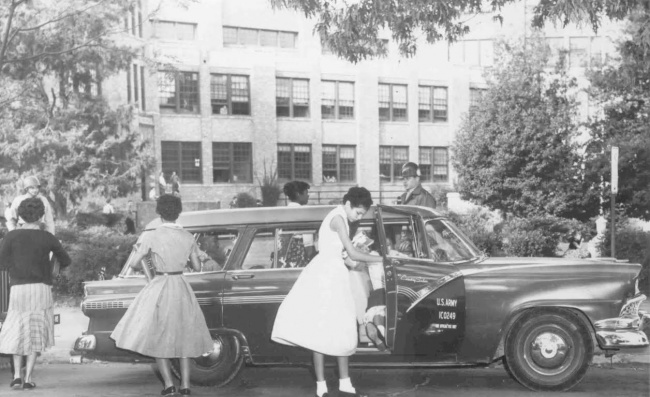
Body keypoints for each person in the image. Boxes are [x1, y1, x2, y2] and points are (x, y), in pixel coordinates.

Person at [272, 187, 382, 397]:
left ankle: (344, 381)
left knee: (340, 325)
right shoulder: (338, 218)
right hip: (325, 276)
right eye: (358, 212)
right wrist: (380, 259)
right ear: (348, 204)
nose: (358, 217)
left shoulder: (340, 216)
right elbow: (350, 251)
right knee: (322, 329)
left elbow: (344, 254)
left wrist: (362, 255)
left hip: (335, 272)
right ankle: (322, 384)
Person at [110, 195, 213, 396]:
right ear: (178, 212)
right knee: (185, 336)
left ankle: (169, 385)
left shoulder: (151, 235)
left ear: (159, 212)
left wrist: (141, 252)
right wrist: (200, 256)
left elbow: (133, 263)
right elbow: (198, 266)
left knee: (158, 336)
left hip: (161, 286)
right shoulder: (187, 236)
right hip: (181, 286)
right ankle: (186, 386)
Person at [0, 198, 71, 390]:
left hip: (18, 289)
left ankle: (16, 375)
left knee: (18, 328)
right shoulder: (47, 237)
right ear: (41, 216)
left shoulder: (11, 236)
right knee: (35, 331)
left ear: (20, 215)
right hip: (41, 288)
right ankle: (29, 378)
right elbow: (65, 260)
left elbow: (2, 263)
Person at [281, 181, 316, 265]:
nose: (308, 195)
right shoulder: (303, 213)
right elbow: (309, 248)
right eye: (306, 193)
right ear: (298, 194)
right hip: (300, 262)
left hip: (285, 261)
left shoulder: (283, 212)